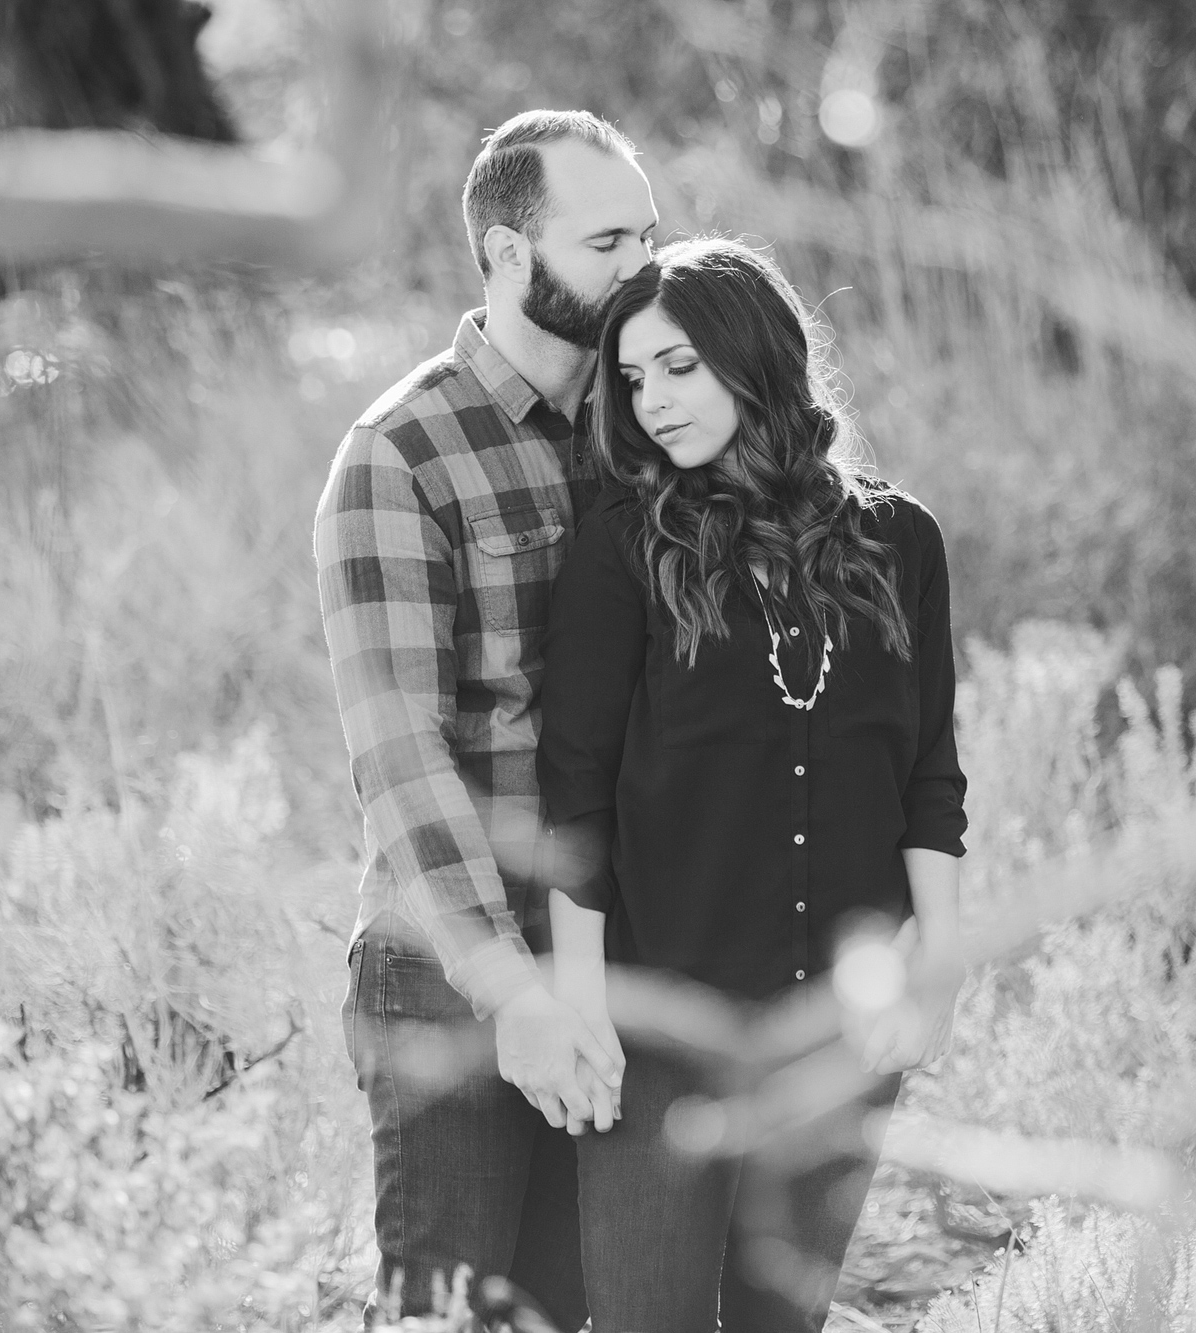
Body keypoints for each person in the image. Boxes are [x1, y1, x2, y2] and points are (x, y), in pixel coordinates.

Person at [535, 237, 970, 1333]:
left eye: (678, 367)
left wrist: (940, 966)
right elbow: (574, 791)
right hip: (661, 1033)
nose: (654, 403)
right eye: (632, 381)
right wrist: (582, 1002)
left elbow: (928, 774)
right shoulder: (621, 549)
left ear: (753, 355)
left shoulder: (898, 541)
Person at [314, 109, 657, 1326]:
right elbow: (399, 755)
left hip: (609, 963)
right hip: (449, 978)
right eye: (606, 240)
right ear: (509, 255)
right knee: (454, 1316)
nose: (641, 269)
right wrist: (512, 992)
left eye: (648, 237)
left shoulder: (648, 435)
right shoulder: (398, 454)